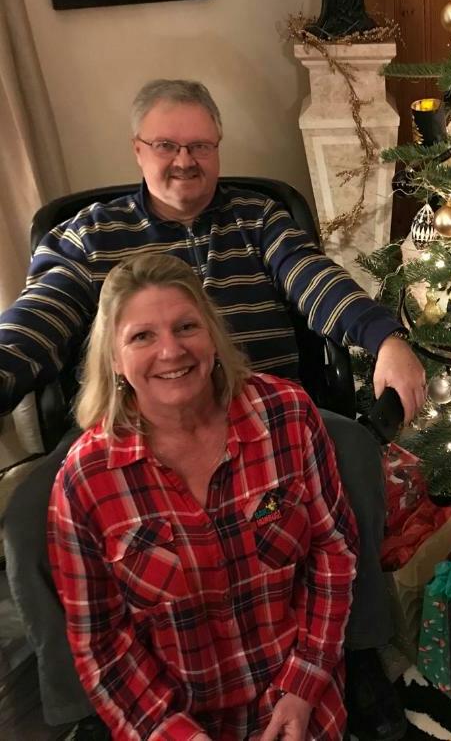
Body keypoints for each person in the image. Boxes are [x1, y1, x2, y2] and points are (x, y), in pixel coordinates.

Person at [1, 79, 425, 741]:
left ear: (218, 147)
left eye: (200, 145)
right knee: (29, 513)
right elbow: (40, 314)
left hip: (266, 414)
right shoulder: (89, 234)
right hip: (130, 417)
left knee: (353, 453)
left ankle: (354, 649)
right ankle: (88, 702)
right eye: (166, 145)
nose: (185, 160)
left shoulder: (258, 217)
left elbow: (314, 279)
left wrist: (384, 338)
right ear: (138, 149)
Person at [48, 253, 358, 740]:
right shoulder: (85, 480)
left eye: (186, 326)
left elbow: (333, 552)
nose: (171, 351)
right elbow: (101, 645)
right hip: (174, 719)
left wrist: (303, 684)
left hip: (299, 691)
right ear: (114, 359)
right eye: (142, 336)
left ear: (212, 335)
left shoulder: (287, 414)